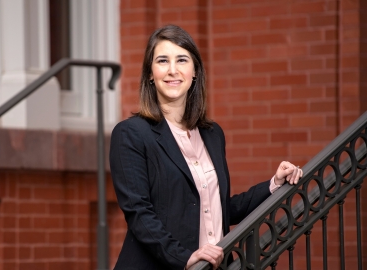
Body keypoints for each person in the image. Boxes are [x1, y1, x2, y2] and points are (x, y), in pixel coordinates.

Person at [109, 25, 303, 270]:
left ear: (195, 72)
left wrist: (273, 184)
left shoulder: (212, 135)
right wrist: (185, 257)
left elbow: (218, 207)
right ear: (150, 73)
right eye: (162, 61)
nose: (172, 70)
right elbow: (139, 213)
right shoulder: (131, 134)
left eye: (181, 59)